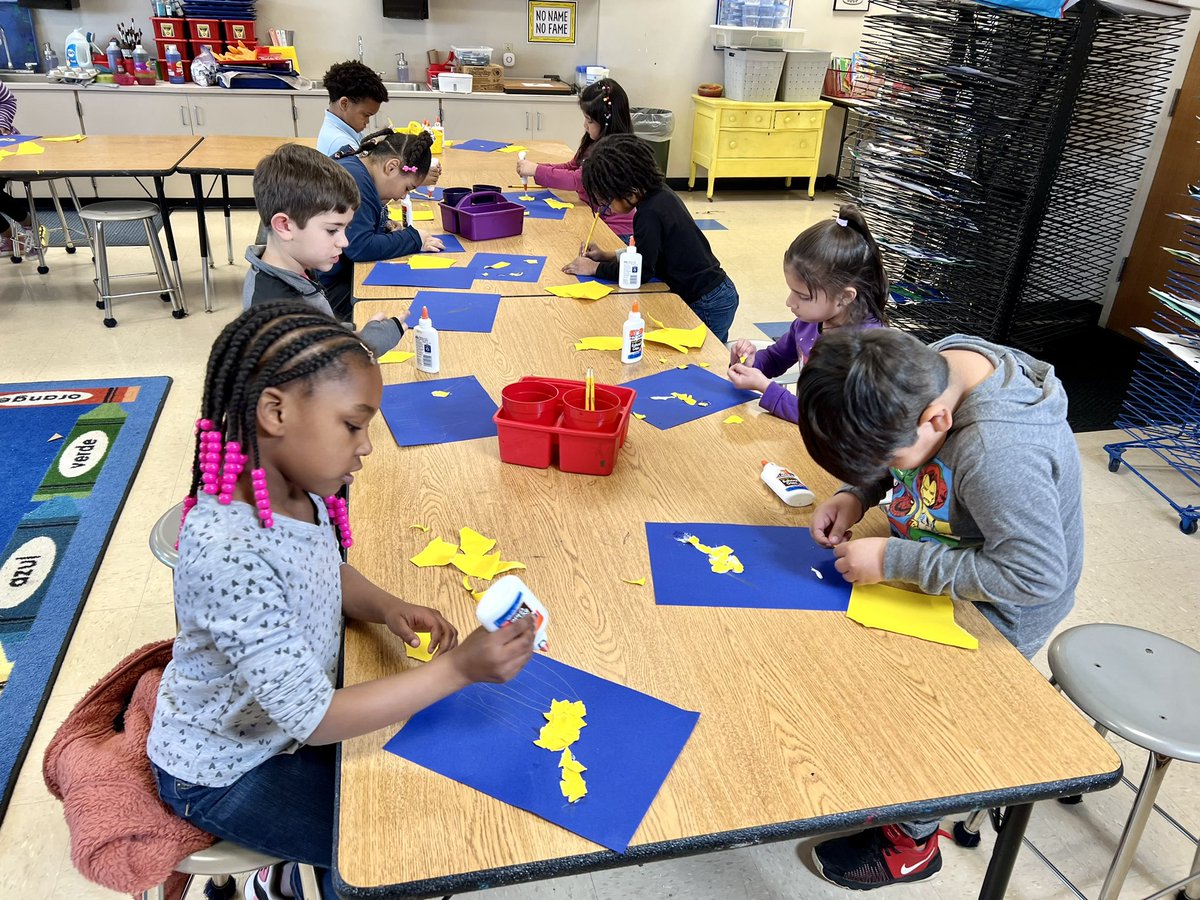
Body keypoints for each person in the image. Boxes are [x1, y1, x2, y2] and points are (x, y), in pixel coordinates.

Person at [147, 303, 537, 900]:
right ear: (275, 412)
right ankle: (293, 883)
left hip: (286, 729)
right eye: (353, 426)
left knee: (411, 794)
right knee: (387, 853)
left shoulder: (302, 490)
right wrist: (458, 670)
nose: (367, 447)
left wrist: (384, 605)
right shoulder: (226, 546)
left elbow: (324, 569)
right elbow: (317, 717)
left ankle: (296, 871)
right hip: (226, 769)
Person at [795, 327, 1083, 890]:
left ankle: (913, 842)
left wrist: (897, 560)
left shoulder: (999, 452)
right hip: (947, 548)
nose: (885, 464)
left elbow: (1034, 575)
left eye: (887, 456)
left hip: (1002, 606)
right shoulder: (933, 365)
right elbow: (901, 452)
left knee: (931, 719)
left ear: (937, 421)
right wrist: (858, 492)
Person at [563, 134, 739, 343]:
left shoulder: (648, 215)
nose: (607, 207)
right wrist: (608, 256)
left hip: (707, 300)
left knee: (707, 361)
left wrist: (594, 268)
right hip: (714, 292)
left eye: (608, 200)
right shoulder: (659, 193)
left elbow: (642, 271)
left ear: (628, 190)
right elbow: (649, 251)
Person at [727, 204, 888, 423]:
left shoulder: (867, 348)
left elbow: (828, 419)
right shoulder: (809, 323)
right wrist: (751, 363)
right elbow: (776, 358)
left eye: (803, 296)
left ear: (845, 296)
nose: (789, 302)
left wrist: (765, 388)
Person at [244, 142, 403, 356]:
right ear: (284, 226)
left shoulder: (295, 267)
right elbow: (319, 380)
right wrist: (367, 346)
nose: (344, 242)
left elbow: (316, 338)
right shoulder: (277, 318)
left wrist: (347, 335)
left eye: (345, 228)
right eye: (331, 230)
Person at [321, 130, 445, 313]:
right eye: (407, 188)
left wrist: (383, 223)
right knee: (397, 307)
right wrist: (414, 239)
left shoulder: (358, 168)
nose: (401, 196)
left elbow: (356, 226)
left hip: (331, 278)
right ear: (391, 167)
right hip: (328, 291)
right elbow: (360, 247)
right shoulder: (355, 183)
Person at [515, 78, 635, 238]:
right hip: (594, 218)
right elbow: (572, 166)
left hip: (616, 233)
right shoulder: (593, 143)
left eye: (590, 121)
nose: (585, 125)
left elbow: (576, 179)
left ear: (607, 123)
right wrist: (536, 167)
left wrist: (536, 170)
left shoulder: (614, 154)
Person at [315, 61, 389, 157]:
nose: (367, 122)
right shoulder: (341, 144)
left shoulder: (349, 126)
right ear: (344, 104)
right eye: (366, 115)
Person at [0, 81, 36, 260]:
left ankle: (31, 226)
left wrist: (2, 123)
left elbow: (7, 101)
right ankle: (9, 238)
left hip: (3, 145)